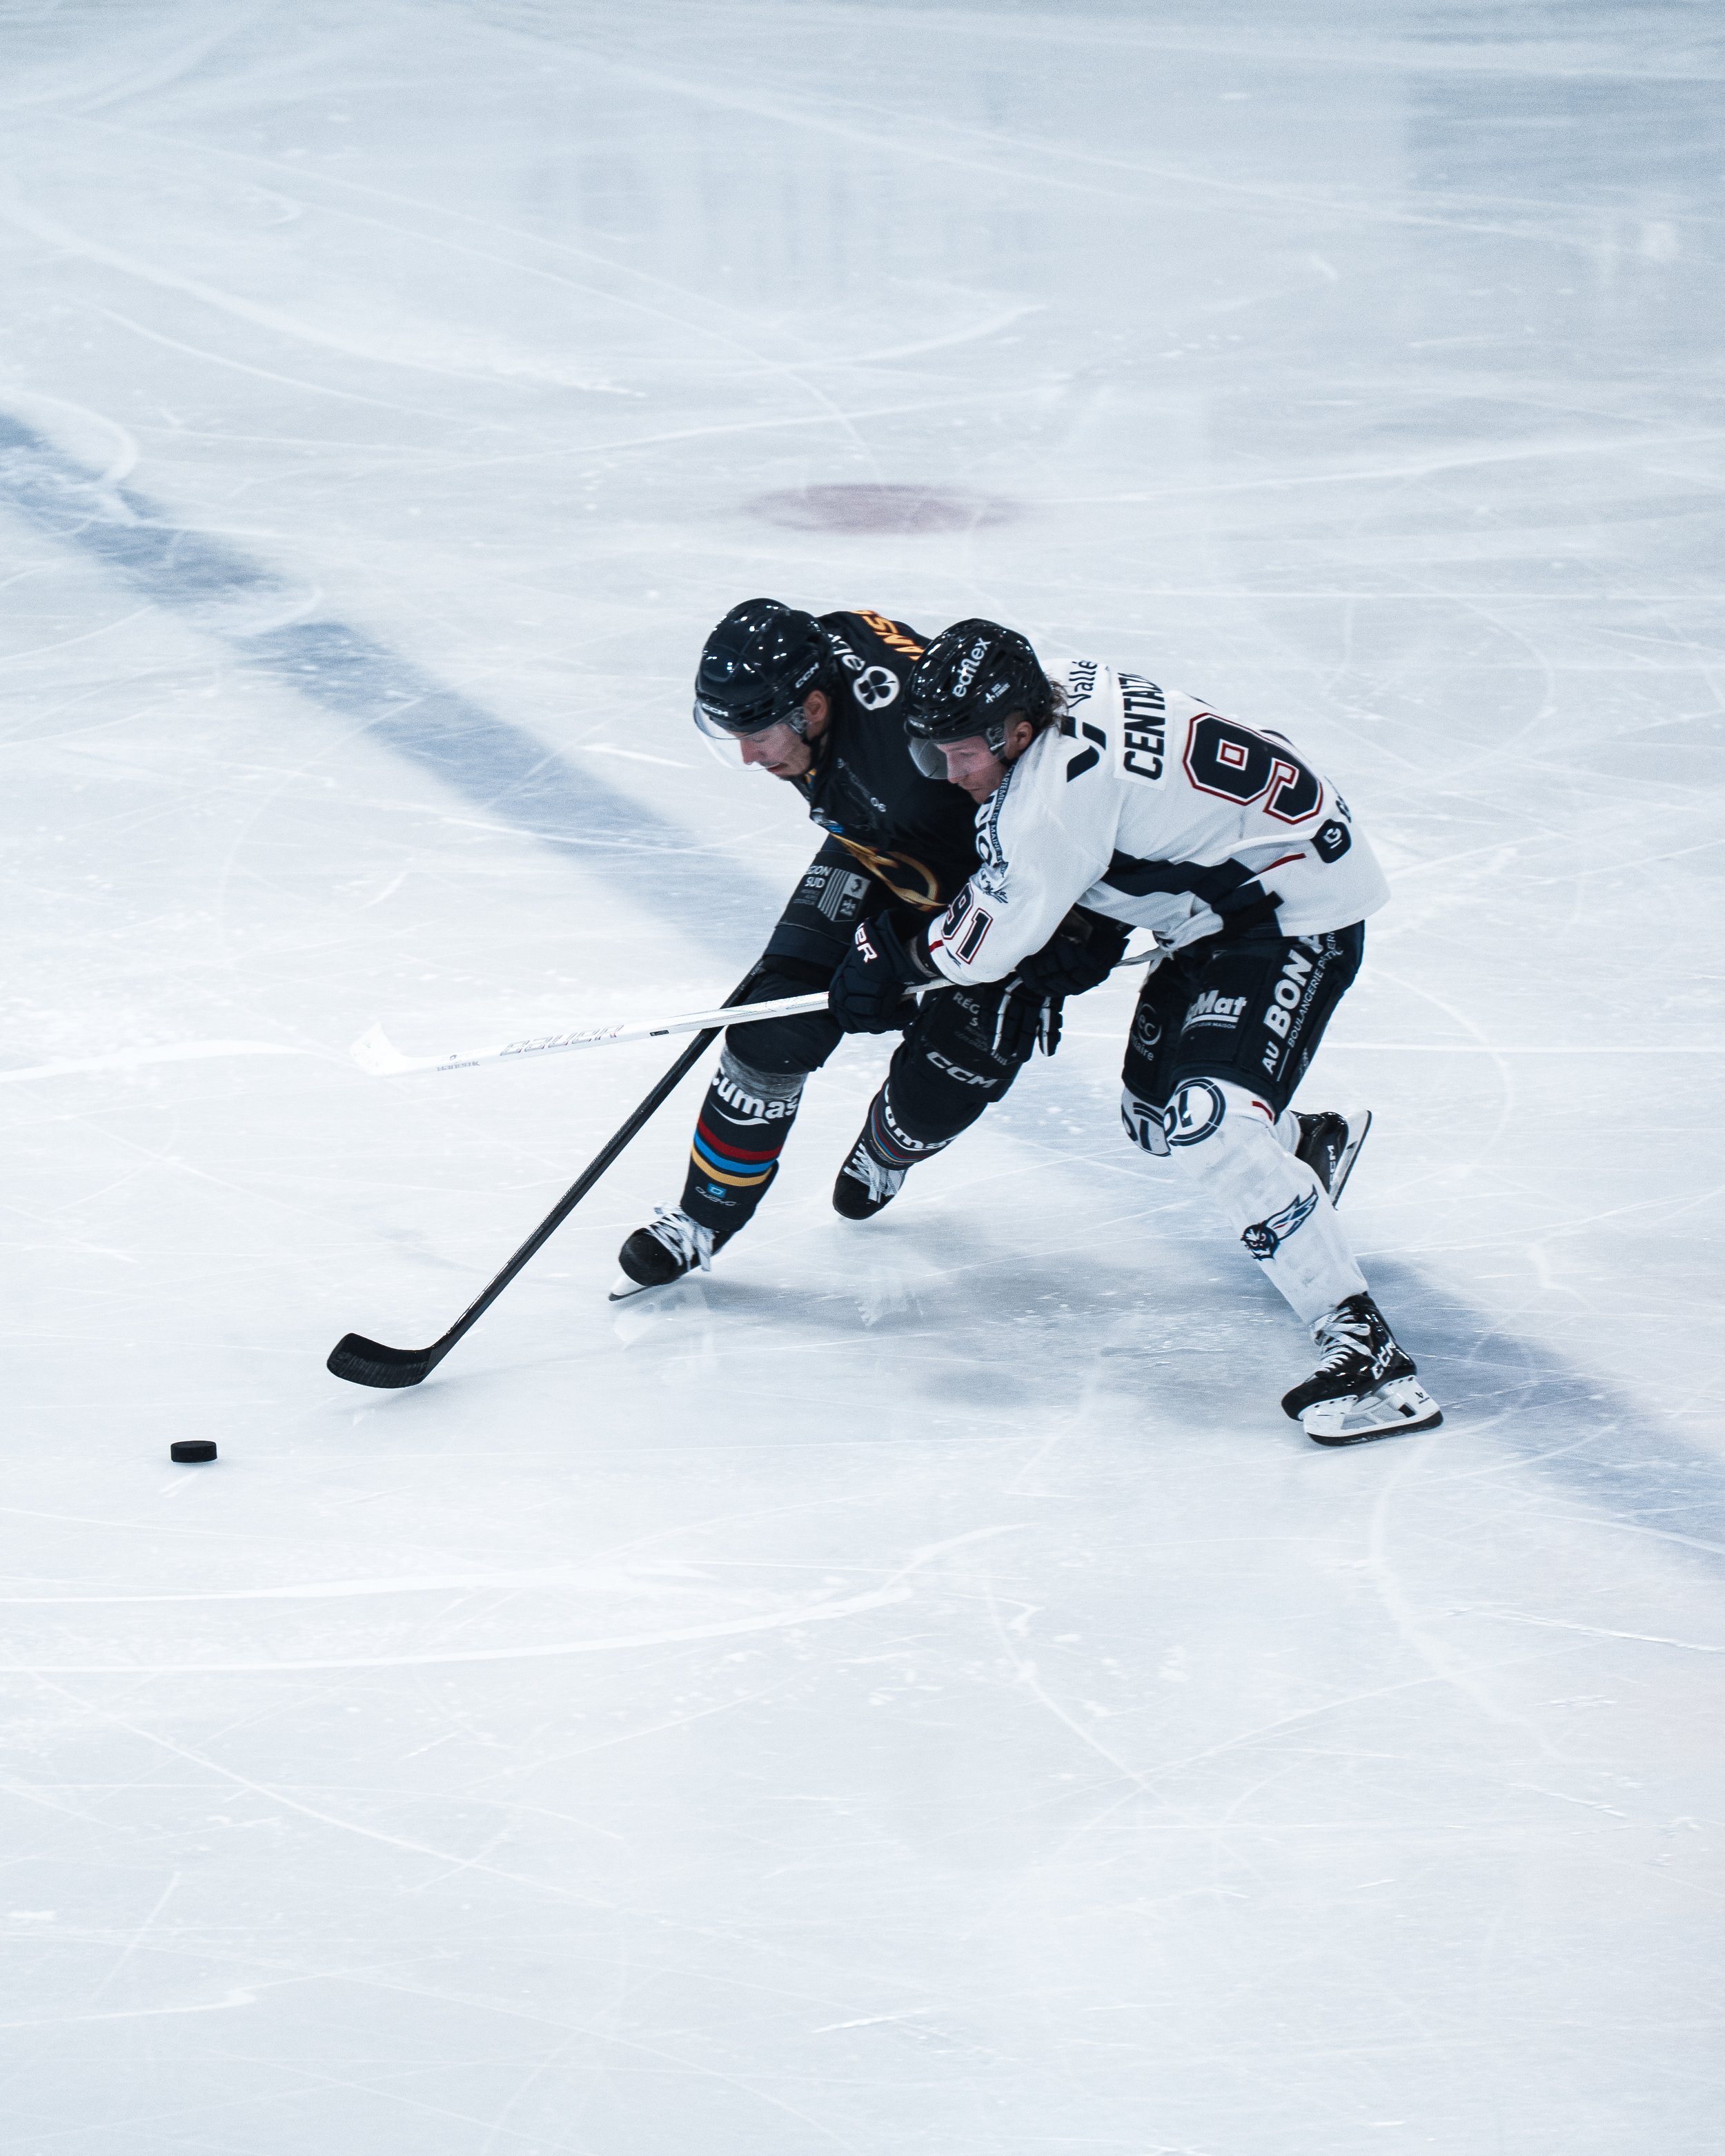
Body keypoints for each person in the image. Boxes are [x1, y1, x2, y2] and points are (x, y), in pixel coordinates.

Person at [825, 618, 1441, 1446]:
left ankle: (1368, 1355)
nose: (948, 772)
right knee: (1153, 1118)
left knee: (1208, 1124)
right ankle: (1307, 1147)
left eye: (960, 752)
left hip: (1296, 912)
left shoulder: (1047, 799)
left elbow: (979, 948)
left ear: (1014, 730)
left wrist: (887, 955)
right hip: (1222, 909)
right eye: (932, 752)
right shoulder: (1054, 680)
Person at [613, 599, 1083, 1296]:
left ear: (813, 707)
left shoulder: (914, 754)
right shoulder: (817, 658)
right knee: (770, 1026)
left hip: (995, 888)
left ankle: (888, 1147)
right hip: (878, 851)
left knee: (941, 1082)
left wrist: (1058, 938)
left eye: (758, 734)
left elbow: (1046, 824)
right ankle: (701, 1218)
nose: (746, 754)